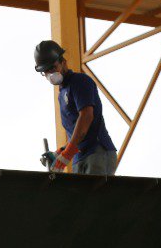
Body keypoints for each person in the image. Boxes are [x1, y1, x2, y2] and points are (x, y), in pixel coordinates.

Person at [33, 40, 118, 176]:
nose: (50, 74)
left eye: (53, 68)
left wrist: (68, 153)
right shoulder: (62, 94)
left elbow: (86, 117)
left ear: (63, 62)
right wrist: (60, 152)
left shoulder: (80, 82)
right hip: (80, 157)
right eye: (46, 71)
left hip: (96, 152)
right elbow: (75, 132)